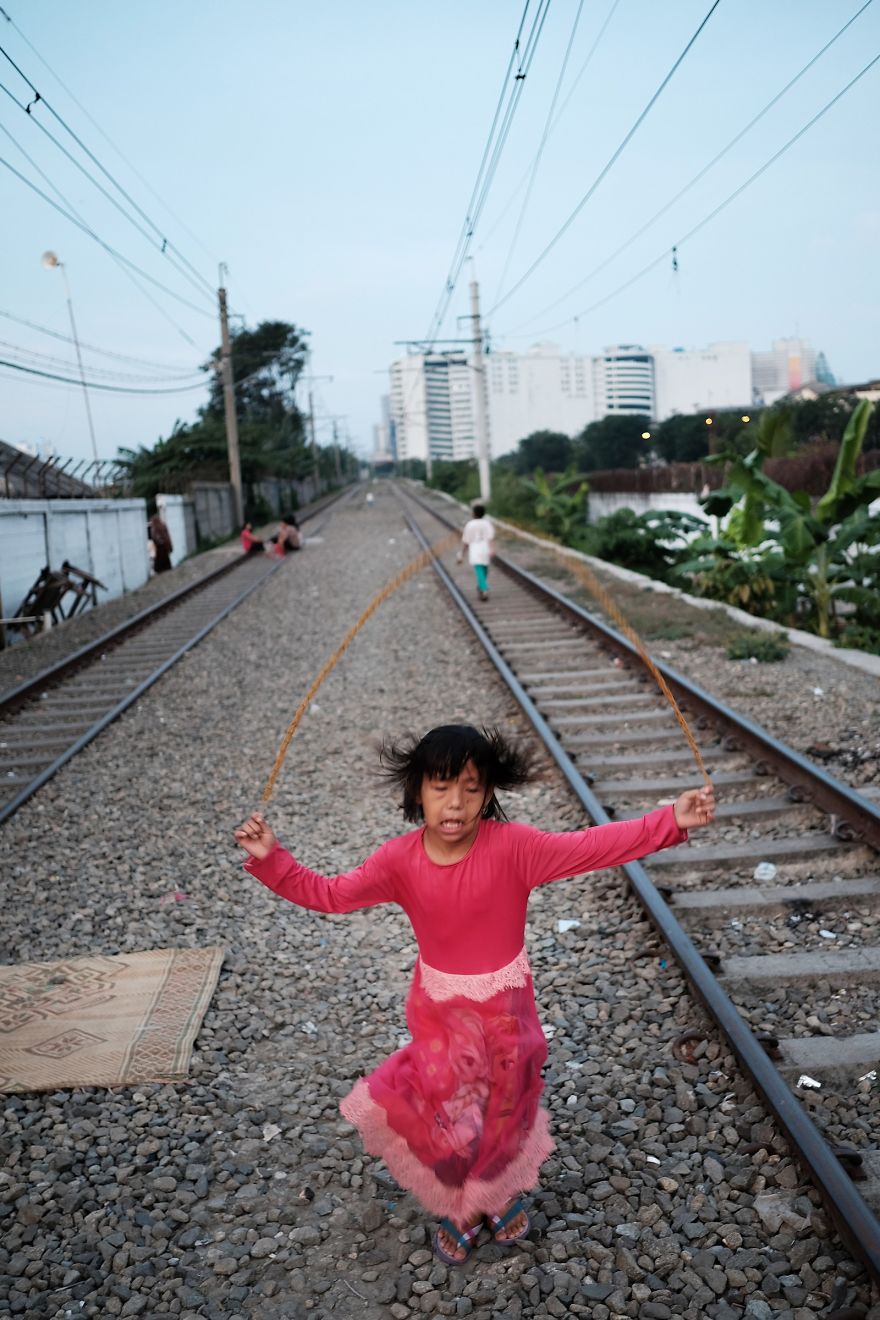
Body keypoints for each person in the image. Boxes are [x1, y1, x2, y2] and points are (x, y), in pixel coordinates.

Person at [234, 724, 715, 1266]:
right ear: (417, 791)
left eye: (470, 787)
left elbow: (593, 846)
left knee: (505, 1109)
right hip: (440, 1015)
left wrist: (671, 819)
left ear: (488, 794)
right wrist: (270, 858)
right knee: (453, 1115)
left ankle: (495, 1191)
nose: (456, 803)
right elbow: (329, 894)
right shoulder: (398, 860)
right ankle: (463, 1205)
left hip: (507, 1013)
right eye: (441, 787)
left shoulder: (516, 848)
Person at [459, 504, 494, 601]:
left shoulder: (470, 524)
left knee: (479, 570)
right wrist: (492, 549)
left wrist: (462, 554)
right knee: (484, 569)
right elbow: (490, 538)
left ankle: (484, 589)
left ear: (474, 513)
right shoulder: (487, 523)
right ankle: (482, 588)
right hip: (485, 548)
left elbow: (466, 541)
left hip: (475, 549)